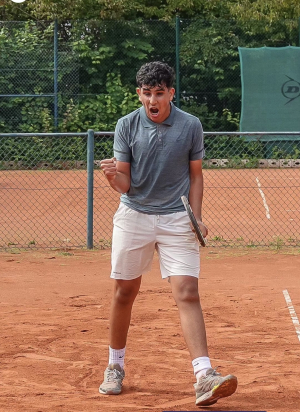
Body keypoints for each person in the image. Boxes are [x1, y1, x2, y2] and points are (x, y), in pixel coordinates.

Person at [99, 61, 237, 407]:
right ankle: (115, 366)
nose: (153, 100)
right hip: (134, 215)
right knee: (124, 292)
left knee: (188, 291)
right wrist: (112, 177)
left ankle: (204, 376)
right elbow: (126, 185)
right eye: (147, 94)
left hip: (178, 217)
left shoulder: (190, 125)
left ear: (171, 93)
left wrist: (197, 216)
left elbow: (196, 175)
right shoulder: (126, 126)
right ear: (139, 94)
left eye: (159, 93)